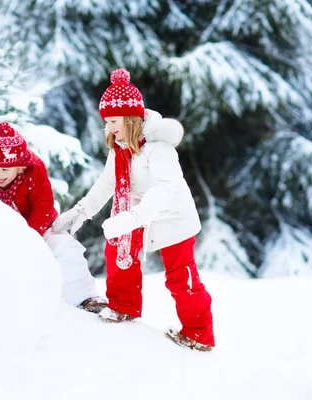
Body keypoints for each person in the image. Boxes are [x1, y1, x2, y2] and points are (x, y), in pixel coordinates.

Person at [51, 68, 215, 352]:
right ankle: (123, 306)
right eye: (107, 122)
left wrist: (133, 218)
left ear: (130, 117)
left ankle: (199, 334)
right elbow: (106, 183)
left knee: (180, 278)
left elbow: (165, 187)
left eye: (114, 120)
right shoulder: (120, 147)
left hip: (173, 218)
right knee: (117, 251)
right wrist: (79, 212)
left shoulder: (159, 148)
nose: (110, 127)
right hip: (136, 213)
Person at [0, 121, 107, 314]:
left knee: (64, 248)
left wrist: (28, 237)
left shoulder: (34, 170)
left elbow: (44, 207)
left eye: (5, 169)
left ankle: (84, 297)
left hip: (35, 227)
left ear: (20, 167)